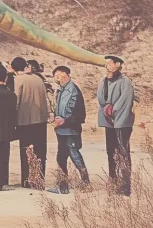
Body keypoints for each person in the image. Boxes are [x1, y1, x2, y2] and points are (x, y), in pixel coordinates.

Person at [96, 55, 135, 196]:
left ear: (118, 65)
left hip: (121, 123)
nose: (107, 66)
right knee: (110, 151)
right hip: (109, 122)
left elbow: (125, 101)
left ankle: (125, 185)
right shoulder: (104, 81)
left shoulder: (125, 82)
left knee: (123, 152)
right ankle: (113, 178)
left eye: (110, 63)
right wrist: (106, 108)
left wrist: (112, 111)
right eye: (106, 64)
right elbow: (101, 99)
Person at [48, 65, 90, 193]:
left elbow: (80, 114)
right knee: (62, 157)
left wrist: (65, 121)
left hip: (70, 129)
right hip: (62, 129)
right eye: (55, 76)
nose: (57, 78)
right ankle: (63, 185)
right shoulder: (61, 90)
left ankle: (83, 183)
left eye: (58, 75)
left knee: (73, 154)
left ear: (65, 74)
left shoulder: (73, 90)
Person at [11, 57, 48, 188]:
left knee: (26, 151)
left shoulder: (18, 80)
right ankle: (40, 179)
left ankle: (27, 179)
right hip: (41, 119)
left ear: (13, 68)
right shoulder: (38, 78)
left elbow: (16, 100)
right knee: (40, 151)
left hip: (24, 119)